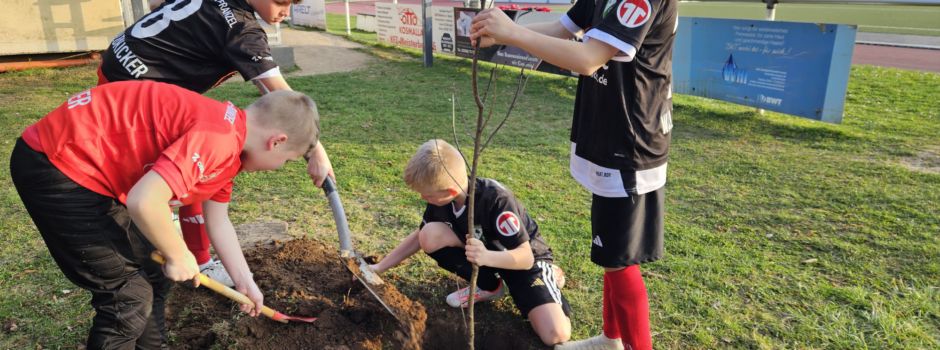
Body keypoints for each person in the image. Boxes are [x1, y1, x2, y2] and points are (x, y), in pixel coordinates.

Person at [9, 80, 320, 348]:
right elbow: (144, 201)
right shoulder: (218, 138)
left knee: (153, 273)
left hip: (90, 172)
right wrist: (179, 254)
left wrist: (245, 282)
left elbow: (218, 221)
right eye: (287, 160)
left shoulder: (230, 143)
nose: (279, 167)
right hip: (58, 164)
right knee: (127, 297)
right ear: (276, 141)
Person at [470, 0, 678, 349]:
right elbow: (563, 30)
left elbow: (588, 58)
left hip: (630, 143)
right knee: (611, 255)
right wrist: (502, 36)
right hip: (607, 135)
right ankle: (611, 340)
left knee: (620, 262)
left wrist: (512, 32)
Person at [99, 0, 334, 286]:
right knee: (189, 171)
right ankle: (192, 257)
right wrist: (315, 149)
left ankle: (169, 232)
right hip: (136, 96)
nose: (286, 11)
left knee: (187, 168)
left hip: (117, 67)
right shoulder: (241, 29)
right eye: (281, 2)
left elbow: (159, 5)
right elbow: (283, 96)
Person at [368, 139, 572, 346]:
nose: (422, 198)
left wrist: (487, 256)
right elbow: (419, 236)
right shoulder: (443, 201)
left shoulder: (496, 200)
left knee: (555, 334)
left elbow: (526, 257)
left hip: (522, 262)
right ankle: (490, 285)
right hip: (482, 254)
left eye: (427, 195)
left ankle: (549, 277)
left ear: (448, 192)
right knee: (428, 234)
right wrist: (379, 267)